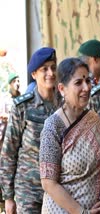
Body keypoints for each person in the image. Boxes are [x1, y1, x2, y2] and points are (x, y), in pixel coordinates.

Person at [39, 57, 100, 213]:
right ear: (62, 89)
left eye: (88, 81)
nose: (86, 88)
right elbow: (48, 183)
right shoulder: (53, 126)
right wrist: (81, 212)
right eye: (78, 83)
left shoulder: (93, 119)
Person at [0, 47, 61, 213]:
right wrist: (8, 197)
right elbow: (8, 152)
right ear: (34, 74)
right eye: (44, 69)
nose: (50, 73)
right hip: (28, 192)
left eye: (53, 68)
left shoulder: (65, 104)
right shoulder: (23, 107)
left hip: (59, 192)